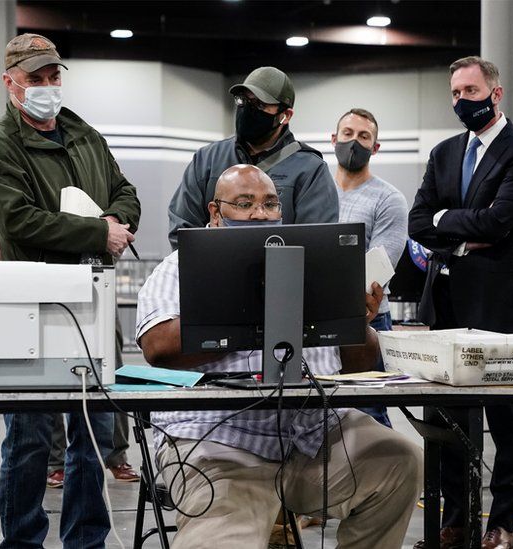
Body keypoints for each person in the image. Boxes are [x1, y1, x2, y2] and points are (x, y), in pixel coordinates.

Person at [137, 164, 423, 549]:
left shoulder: (314, 264)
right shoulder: (179, 269)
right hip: (219, 444)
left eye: (270, 204)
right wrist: (256, 310)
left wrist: (356, 320)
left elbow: (358, 363)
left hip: (310, 437)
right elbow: (158, 346)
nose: (260, 213)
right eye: (244, 203)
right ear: (215, 212)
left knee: (400, 460)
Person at [0, 33, 141, 548]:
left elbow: (125, 191)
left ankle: (86, 539)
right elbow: (19, 222)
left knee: (90, 436)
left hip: (90, 298)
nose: (47, 87)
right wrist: (97, 232)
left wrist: (115, 219)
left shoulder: (84, 135)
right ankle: (22, 541)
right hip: (30, 305)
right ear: (10, 84)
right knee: (28, 437)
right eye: (34, 79)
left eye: (53, 77)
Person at [407, 56, 513, 549]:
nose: (460, 101)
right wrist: (462, 230)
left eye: (469, 91)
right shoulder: (444, 153)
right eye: (455, 93)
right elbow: (418, 221)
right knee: (449, 421)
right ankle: (456, 522)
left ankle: (502, 524)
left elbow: (501, 221)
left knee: (506, 422)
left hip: (499, 304)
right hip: (446, 303)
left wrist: (449, 225)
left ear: (495, 93)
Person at [167, 66, 338, 249]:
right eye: (243, 101)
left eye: (260, 105)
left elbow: (317, 241)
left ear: (285, 116)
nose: (248, 110)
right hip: (214, 273)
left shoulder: (310, 169)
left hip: (282, 274)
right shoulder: (207, 160)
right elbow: (183, 230)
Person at [332, 107, 408, 428]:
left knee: (368, 408)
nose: (354, 142)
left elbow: (379, 266)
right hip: (318, 315)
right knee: (323, 407)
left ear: (375, 148)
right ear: (334, 139)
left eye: (364, 137)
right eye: (347, 134)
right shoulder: (315, 190)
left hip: (369, 316)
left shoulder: (389, 199)